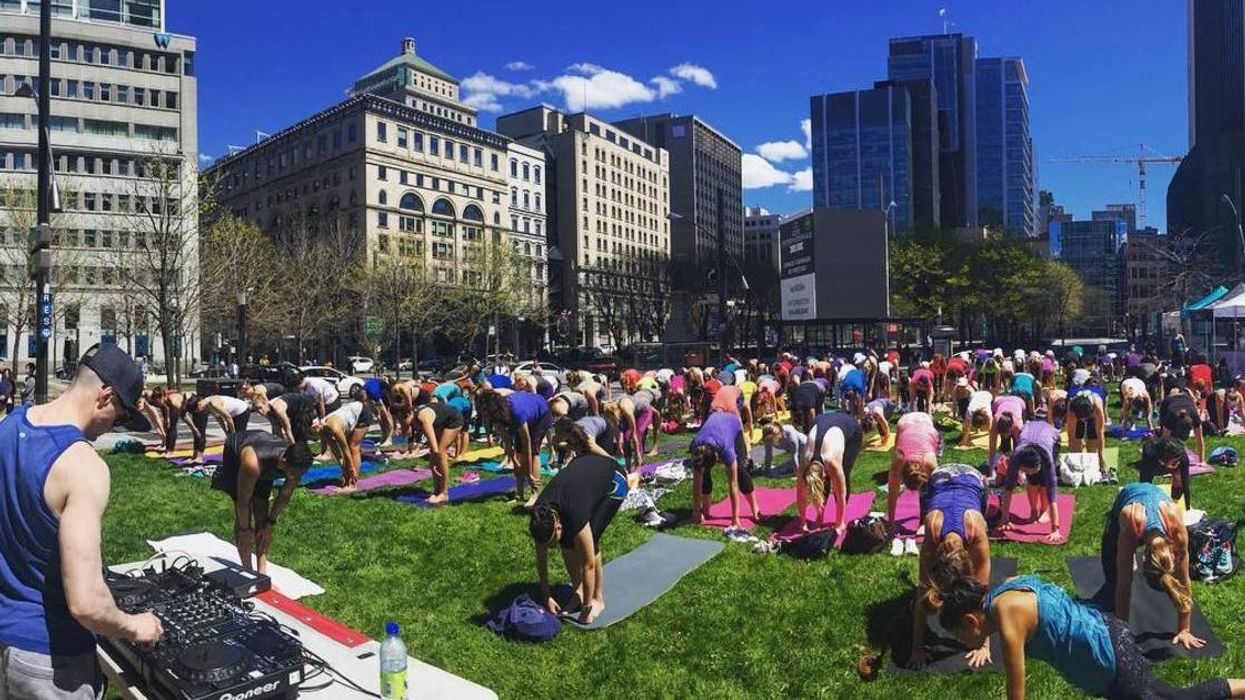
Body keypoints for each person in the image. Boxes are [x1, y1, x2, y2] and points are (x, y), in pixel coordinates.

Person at [0, 345, 162, 697]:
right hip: (51, 659)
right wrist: (137, 626)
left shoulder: (9, 426)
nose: (110, 429)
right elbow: (86, 603)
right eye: (119, 418)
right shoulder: (83, 466)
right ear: (105, 397)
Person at [936, 574, 1244, 699]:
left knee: (1179, 699)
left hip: (1110, 659)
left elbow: (1016, 691)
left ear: (969, 619)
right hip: (1108, 633)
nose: (962, 642)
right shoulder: (1005, 588)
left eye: (960, 634)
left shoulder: (1007, 618)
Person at [908, 466, 991, 669]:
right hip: (940, 478)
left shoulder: (977, 531)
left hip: (973, 480)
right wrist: (916, 646)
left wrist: (984, 645)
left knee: (974, 589)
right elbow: (922, 588)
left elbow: (983, 593)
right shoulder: (932, 527)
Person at [530, 454, 629, 624]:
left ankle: (597, 598)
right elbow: (541, 562)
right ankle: (579, 591)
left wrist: (586, 609)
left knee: (592, 537)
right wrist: (547, 597)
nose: (553, 546)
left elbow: (588, 564)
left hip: (615, 479)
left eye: (553, 541)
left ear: (558, 526)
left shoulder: (575, 513)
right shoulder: (540, 515)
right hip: (584, 475)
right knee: (567, 541)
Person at [1102, 482, 1202, 650]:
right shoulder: (1130, 520)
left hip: (1158, 501)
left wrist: (1184, 629)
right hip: (1129, 497)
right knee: (1112, 575)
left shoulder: (1176, 526)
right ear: (1144, 559)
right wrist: (1122, 635)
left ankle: (1128, 556)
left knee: (1121, 568)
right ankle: (1128, 557)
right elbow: (1124, 585)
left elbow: (1183, 580)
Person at [212, 430, 313, 573]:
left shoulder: (296, 465)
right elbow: (243, 501)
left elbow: (284, 495)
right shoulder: (252, 463)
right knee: (243, 520)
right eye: (292, 474)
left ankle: (261, 571)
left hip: (266, 461)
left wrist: (270, 523)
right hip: (237, 454)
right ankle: (247, 569)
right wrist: (244, 529)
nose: (294, 478)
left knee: (262, 515)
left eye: (297, 475)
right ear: (283, 462)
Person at [689, 410, 760, 530]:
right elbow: (697, 484)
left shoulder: (726, 449)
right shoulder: (697, 448)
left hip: (733, 423)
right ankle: (705, 511)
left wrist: (735, 518)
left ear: (717, 457)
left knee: (740, 470)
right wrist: (696, 511)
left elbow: (733, 485)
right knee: (704, 474)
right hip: (714, 422)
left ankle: (755, 509)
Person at [997, 421, 1064, 543]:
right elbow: (1008, 488)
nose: (1029, 473)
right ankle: (1033, 511)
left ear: (1038, 464)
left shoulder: (1047, 458)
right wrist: (1004, 518)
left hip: (1050, 437)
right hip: (1028, 433)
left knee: (1044, 481)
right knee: (1033, 480)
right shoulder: (1016, 457)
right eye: (1025, 471)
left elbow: (1052, 494)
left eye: (1032, 470)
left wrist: (1055, 529)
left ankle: (1044, 511)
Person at [797, 412, 863, 535]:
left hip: (851, 429)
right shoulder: (804, 462)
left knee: (844, 472)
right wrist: (803, 522)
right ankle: (820, 515)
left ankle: (840, 519)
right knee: (820, 486)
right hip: (822, 421)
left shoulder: (832, 462)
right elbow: (800, 494)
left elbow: (840, 492)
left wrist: (838, 524)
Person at [886, 412, 942, 527]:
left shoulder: (930, 462)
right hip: (905, 423)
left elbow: (939, 493)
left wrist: (932, 522)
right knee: (899, 446)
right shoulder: (898, 461)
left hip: (925, 424)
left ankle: (923, 519)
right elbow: (892, 493)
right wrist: (890, 524)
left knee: (930, 489)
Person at [412, 402, 464, 506]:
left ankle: (444, 493)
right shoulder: (416, 416)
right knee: (434, 452)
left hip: (454, 420)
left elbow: (436, 450)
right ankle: (436, 490)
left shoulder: (423, 418)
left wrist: (436, 458)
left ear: (409, 415)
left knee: (441, 452)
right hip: (442, 421)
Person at [318, 398, 375, 491]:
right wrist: (343, 467)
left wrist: (351, 468)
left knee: (353, 447)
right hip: (352, 412)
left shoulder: (334, 428)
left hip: (362, 414)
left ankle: (352, 484)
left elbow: (345, 450)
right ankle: (347, 479)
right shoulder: (323, 429)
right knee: (349, 449)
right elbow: (334, 449)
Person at [1137, 436, 1193, 510]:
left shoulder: (1182, 457)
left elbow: (1185, 484)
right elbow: (1144, 484)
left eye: (1177, 460)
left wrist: (1188, 508)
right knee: (1147, 487)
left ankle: (1174, 501)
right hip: (1156, 460)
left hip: (1166, 459)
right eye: (1175, 461)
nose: (1177, 462)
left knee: (1179, 478)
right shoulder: (1149, 456)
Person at [1159, 387, 1205, 465]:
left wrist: (1202, 461)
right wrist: (1165, 462)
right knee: (1165, 436)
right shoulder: (1170, 416)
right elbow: (1164, 441)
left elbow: (1200, 440)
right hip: (1169, 401)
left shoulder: (1194, 416)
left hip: (1186, 398)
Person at [1066, 391, 1108, 472]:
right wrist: (1071, 455)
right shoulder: (1072, 409)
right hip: (1076, 409)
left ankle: (1094, 462)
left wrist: (1101, 457)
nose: (1083, 420)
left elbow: (1100, 432)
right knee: (1076, 442)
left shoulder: (1097, 405)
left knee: (1093, 438)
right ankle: (1077, 459)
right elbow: (1071, 434)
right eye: (1081, 419)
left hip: (1093, 410)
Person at [549, 415, 619, 461]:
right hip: (589, 423)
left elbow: (592, 448)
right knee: (583, 454)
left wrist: (612, 459)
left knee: (602, 459)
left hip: (604, 430)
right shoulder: (566, 434)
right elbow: (557, 443)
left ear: (567, 432)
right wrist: (573, 447)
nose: (556, 434)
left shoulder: (585, 434)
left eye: (559, 433)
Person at [987, 394, 1026, 465]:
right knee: (1005, 444)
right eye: (1002, 434)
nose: (1005, 436)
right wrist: (990, 471)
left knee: (1017, 446)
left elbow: (1021, 447)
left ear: (1012, 428)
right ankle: (1005, 454)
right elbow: (992, 448)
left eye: (1006, 434)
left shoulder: (1018, 425)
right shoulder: (995, 422)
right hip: (999, 402)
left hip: (1019, 401)